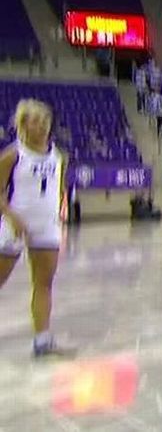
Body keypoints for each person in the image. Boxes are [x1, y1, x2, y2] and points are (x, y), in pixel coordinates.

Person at [0, 99, 74, 358]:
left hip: (47, 227)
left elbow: (59, 188)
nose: (43, 126)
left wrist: (59, 213)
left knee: (43, 284)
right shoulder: (12, 154)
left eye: (46, 121)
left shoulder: (58, 155)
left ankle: (42, 342)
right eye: (36, 121)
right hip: (16, 225)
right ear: (22, 124)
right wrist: (11, 216)